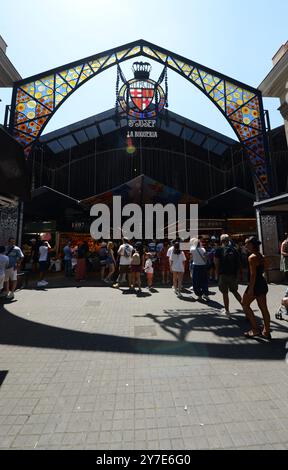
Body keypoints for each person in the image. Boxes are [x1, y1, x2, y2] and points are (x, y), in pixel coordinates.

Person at [242, 237, 271, 340]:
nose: (245, 246)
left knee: (244, 304)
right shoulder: (261, 256)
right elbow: (265, 269)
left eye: (247, 244)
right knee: (264, 308)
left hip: (255, 284)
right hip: (262, 283)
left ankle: (255, 329)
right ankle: (266, 331)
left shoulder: (252, 257)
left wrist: (250, 288)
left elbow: (253, 274)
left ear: (252, 245)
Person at [214, 234, 242, 316]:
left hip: (223, 274)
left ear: (221, 241)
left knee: (225, 293)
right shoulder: (234, 249)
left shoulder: (219, 250)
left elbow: (216, 263)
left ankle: (227, 311)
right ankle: (245, 307)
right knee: (235, 292)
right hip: (233, 274)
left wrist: (216, 274)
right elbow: (239, 263)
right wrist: (239, 274)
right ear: (228, 240)